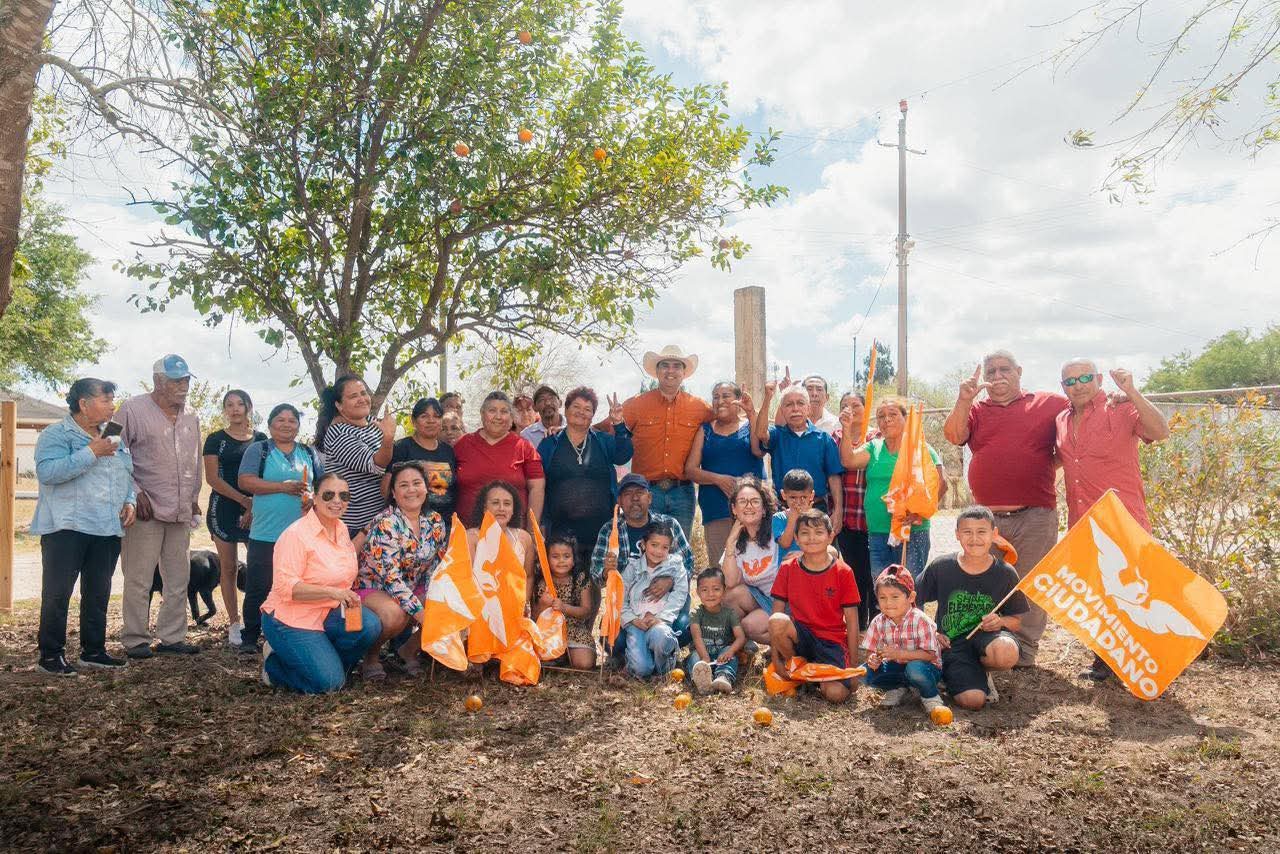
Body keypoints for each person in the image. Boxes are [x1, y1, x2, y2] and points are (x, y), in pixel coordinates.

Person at [942, 350, 1066, 667]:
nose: (997, 376)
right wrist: (964, 399)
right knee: (981, 581)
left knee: (1030, 584)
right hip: (986, 519)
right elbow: (954, 435)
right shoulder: (976, 409)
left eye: (1004, 369)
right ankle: (981, 643)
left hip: (1035, 515)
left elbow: (1078, 423)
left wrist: (1045, 464)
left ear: (1019, 371)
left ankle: (1025, 650)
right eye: (991, 371)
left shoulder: (1049, 403)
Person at [1056, 360, 1170, 681]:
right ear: (1063, 387)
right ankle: (1106, 661)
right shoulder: (1061, 420)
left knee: (1135, 593)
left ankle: (1148, 662)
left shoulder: (1121, 408)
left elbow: (1161, 432)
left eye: (1084, 378)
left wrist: (1131, 391)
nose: (1078, 385)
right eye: (1070, 381)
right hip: (1083, 524)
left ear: (1098, 378)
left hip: (1124, 522)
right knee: (1099, 594)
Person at [32, 378, 136, 675]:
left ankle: (94, 652)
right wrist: (91, 452)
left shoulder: (113, 433)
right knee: (57, 594)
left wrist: (129, 500)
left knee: (98, 593)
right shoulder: (56, 434)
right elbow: (48, 472)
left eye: (112, 400)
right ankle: (50, 656)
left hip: (107, 527)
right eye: (106, 400)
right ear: (83, 404)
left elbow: (126, 473)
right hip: (66, 527)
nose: (112, 406)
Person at [260, 474, 382, 693]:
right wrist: (333, 593)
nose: (337, 501)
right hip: (290, 619)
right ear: (315, 498)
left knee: (369, 625)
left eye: (343, 496)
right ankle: (274, 666)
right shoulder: (296, 535)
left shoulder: (341, 528)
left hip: (328, 611)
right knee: (330, 684)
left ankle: (322, 662)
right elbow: (286, 588)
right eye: (328, 495)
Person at [117, 354, 203, 659]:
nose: (183, 386)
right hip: (146, 509)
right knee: (139, 577)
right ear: (157, 381)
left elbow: (195, 460)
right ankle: (135, 639)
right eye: (176, 381)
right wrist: (133, 491)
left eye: (186, 380)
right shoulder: (130, 409)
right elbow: (110, 449)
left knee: (178, 578)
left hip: (180, 509)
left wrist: (194, 498)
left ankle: (172, 637)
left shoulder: (192, 415)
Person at [917, 507, 1027, 711]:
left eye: (981, 531)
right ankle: (951, 674)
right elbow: (912, 602)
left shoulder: (1005, 573)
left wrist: (1000, 621)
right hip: (952, 644)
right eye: (967, 532)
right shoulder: (941, 566)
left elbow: (1016, 622)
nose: (974, 538)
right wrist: (932, 632)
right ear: (957, 534)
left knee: (1006, 652)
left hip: (989, 639)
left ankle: (982, 671)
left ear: (994, 534)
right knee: (973, 701)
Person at [236, 404, 321, 653]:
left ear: (298, 426)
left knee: (297, 585)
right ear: (270, 424)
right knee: (259, 585)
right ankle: (250, 637)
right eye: (280, 420)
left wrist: (313, 499)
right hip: (266, 532)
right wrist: (283, 487)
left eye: (292, 420)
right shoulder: (259, 450)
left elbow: (322, 485)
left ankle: (291, 632)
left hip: (301, 535)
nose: (286, 425)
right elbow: (245, 481)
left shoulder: (308, 453)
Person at [356, 461, 448, 679]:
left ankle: (409, 649)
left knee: (447, 603)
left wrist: (434, 600)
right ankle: (371, 656)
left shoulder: (435, 521)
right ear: (394, 493)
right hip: (375, 587)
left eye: (417, 483)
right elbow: (390, 579)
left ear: (426, 488)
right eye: (404, 485)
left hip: (412, 586)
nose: (411, 490)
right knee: (395, 614)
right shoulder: (386, 523)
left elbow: (435, 569)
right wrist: (421, 613)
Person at [841, 397, 947, 579]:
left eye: (893, 414)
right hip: (877, 532)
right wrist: (846, 428)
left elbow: (941, 483)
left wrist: (921, 514)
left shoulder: (919, 447)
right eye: (881, 416)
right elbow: (848, 460)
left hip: (911, 532)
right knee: (881, 585)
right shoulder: (874, 447)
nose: (886, 420)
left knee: (908, 586)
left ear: (905, 418)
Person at [767, 509, 861, 704]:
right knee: (777, 620)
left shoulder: (843, 572)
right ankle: (797, 666)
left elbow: (852, 622)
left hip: (832, 642)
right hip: (802, 636)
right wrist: (776, 660)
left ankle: (815, 677)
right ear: (796, 538)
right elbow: (776, 614)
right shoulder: (787, 568)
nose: (811, 538)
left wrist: (853, 668)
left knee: (836, 694)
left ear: (830, 537)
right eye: (805, 533)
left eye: (818, 532)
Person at [618, 345, 712, 537]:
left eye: (676, 366)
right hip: (646, 492)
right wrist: (559, 428)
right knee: (644, 546)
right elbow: (606, 428)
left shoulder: (699, 407)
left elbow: (728, 422)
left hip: (682, 492)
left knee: (680, 547)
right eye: (665, 365)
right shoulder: (636, 404)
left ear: (683, 373)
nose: (671, 371)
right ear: (657, 371)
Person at [537, 387, 631, 571]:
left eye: (588, 409)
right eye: (576, 406)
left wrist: (619, 423)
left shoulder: (603, 441)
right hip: (560, 533)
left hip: (600, 531)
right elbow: (539, 485)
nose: (581, 412)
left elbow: (623, 454)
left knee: (597, 583)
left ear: (593, 416)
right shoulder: (550, 443)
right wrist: (541, 522)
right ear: (565, 410)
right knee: (564, 581)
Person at [202, 390, 267, 647]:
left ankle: (261, 621)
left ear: (249, 407)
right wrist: (242, 500)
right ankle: (234, 623)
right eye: (229, 405)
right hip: (223, 508)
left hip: (256, 509)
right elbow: (212, 478)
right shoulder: (215, 439)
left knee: (259, 568)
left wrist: (252, 506)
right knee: (228, 568)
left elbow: (264, 476)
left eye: (240, 404)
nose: (235, 409)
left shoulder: (262, 440)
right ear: (225, 410)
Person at [684, 380, 763, 565]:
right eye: (716, 397)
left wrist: (751, 413)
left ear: (738, 399)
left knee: (755, 567)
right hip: (716, 510)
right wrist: (718, 479)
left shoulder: (751, 425)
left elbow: (759, 450)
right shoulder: (705, 431)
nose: (720, 401)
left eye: (726, 396)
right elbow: (690, 470)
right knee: (721, 568)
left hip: (751, 511)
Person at [314, 375, 397, 537]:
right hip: (353, 526)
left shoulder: (374, 422)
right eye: (353, 396)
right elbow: (377, 464)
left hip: (380, 519)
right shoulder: (338, 433)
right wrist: (388, 438)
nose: (361, 399)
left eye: (363, 393)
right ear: (339, 405)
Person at [861, 565, 946, 716]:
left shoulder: (920, 620)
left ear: (911, 597)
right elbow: (870, 652)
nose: (888, 603)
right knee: (863, 672)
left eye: (895, 597)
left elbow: (930, 655)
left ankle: (930, 695)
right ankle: (897, 687)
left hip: (925, 667)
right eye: (882, 598)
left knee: (914, 669)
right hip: (897, 666)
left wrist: (899, 653)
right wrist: (872, 659)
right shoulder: (878, 621)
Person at [753, 381, 843, 524]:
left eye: (800, 403)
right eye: (789, 404)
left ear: (808, 408)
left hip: (816, 509)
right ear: (782, 410)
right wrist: (768, 398)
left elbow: (834, 477)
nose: (795, 409)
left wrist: (838, 510)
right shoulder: (777, 435)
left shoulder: (824, 439)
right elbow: (761, 433)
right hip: (782, 510)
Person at [454, 391, 546, 526]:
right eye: (492, 411)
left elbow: (537, 488)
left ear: (511, 417)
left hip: (512, 532)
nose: (498, 416)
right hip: (468, 532)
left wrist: (532, 529)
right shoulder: (463, 444)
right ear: (482, 413)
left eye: (504, 411)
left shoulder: (524, 447)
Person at [619, 520, 689, 680]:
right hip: (636, 623)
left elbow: (680, 593)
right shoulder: (632, 568)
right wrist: (633, 620)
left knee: (661, 636)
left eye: (665, 547)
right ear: (643, 545)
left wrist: (661, 618)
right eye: (654, 545)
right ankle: (635, 663)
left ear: (670, 548)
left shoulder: (675, 566)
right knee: (642, 669)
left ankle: (663, 669)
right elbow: (620, 598)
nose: (658, 551)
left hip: (659, 622)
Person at [833, 392, 876, 630]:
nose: (850, 409)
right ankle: (858, 625)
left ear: (866, 407)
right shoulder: (835, 437)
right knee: (854, 572)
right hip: (848, 516)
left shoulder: (877, 437)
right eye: (844, 405)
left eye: (856, 405)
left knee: (875, 573)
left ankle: (877, 623)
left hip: (873, 518)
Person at [719, 477, 779, 645]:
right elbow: (730, 582)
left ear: (764, 509)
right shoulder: (737, 541)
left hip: (787, 603)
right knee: (731, 596)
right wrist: (730, 542)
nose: (748, 506)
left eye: (755, 501)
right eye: (743, 501)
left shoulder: (777, 531)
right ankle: (739, 647)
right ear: (734, 509)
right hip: (763, 600)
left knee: (750, 625)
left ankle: (792, 645)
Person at [383, 397, 457, 528]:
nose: (431, 420)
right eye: (424, 416)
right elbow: (386, 489)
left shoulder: (448, 451)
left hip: (445, 525)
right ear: (413, 421)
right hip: (409, 526)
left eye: (436, 416)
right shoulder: (402, 448)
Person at [531, 533, 596, 670]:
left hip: (574, 629)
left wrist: (564, 608)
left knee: (584, 664)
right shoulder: (542, 581)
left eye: (566, 556)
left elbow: (586, 611)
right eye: (555, 556)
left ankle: (565, 654)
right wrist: (542, 605)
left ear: (574, 560)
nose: (561, 561)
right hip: (548, 630)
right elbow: (534, 618)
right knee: (539, 658)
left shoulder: (580, 578)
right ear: (547, 559)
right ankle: (559, 655)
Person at [687, 568, 745, 694]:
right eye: (704, 590)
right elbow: (697, 637)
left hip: (722, 655)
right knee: (694, 657)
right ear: (697, 592)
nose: (710, 594)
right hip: (702, 653)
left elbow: (740, 637)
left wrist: (730, 651)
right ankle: (702, 681)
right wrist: (704, 657)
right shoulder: (696, 614)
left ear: (724, 590)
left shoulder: (730, 614)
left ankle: (723, 676)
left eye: (716, 589)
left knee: (731, 657)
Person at [465, 480, 535, 583]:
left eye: (507, 504)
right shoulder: (470, 538)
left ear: (513, 510)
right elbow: (465, 580)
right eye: (495, 503)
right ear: (484, 508)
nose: (501, 508)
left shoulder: (524, 538)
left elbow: (528, 577)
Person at [772, 468, 814, 564]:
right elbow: (785, 544)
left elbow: (823, 546)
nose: (798, 502)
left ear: (811, 495)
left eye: (803, 497)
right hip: (787, 569)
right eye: (793, 497)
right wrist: (792, 519)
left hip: (811, 567)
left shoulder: (818, 518)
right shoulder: (778, 518)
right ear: (783, 495)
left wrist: (803, 555)